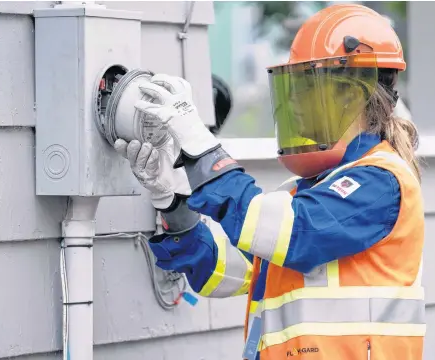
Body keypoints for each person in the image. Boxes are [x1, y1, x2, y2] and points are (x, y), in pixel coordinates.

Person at [115, 4, 425, 360]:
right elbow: (219, 269)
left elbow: (297, 235)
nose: (291, 101)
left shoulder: (381, 181)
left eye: (307, 86)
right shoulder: (303, 193)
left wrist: (200, 145)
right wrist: (170, 199)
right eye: (290, 86)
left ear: (351, 95)